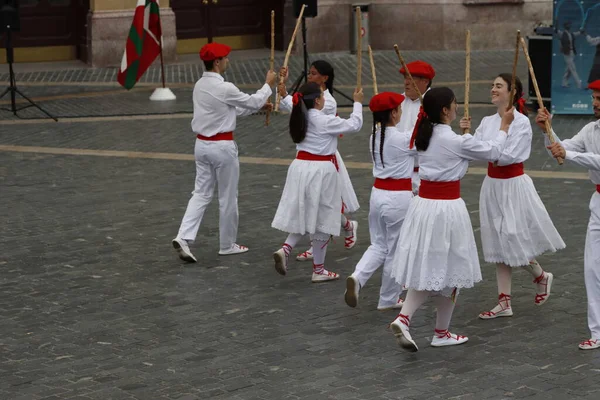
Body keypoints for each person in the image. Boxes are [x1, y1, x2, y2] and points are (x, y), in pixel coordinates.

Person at [388, 87, 514, 352]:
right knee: (450, 271)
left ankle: (434, 329)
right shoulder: (455, 140)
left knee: (437, 270)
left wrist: (466, 134)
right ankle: (413, 320)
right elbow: (493, 152)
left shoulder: (426, 134)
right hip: (446, 210)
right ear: (445, 110)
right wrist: (504, 125)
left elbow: (459, 150)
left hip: (423, 206)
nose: (457, 108)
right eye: (455, 104)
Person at [460, 74, 565, 320]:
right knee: (498, 241)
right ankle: (504, 302)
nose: (493, 89)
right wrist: (465, 136)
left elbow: (507, 156)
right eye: (492, 85)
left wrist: (495, 139)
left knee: (512, 238)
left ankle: (540, 275)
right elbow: (474, 152)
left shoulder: (520, 122)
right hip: (492, 185)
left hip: (513, 186)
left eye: (499, 86)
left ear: (512, 91)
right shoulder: (486, 121)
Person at [172, 42, 276, 262]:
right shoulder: (225, 87)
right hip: (222, 147)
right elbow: (252, 100)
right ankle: (227, 244)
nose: (228, 60)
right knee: (228, 197)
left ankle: (183, 237)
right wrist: (268, 85)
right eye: (226, 58)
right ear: (217, 62)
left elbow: (230, 110)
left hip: (201, 146)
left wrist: (258, 107)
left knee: (200, 193)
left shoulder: (200, 85)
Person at [271, 82, 364, 282]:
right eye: (322, 96)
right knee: (324, 217)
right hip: (321, 170)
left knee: (304, 211)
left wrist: (285, 94)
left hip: (299, 167)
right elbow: (355, 125)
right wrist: (357, 103)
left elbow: (290, 104)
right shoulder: (324, 120)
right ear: (316, 100)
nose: (324, 98)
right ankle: (318, 269)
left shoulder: (300, 114)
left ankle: (286, 249)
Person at [536, 80, 600, 350]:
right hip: (598, 201)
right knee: (592, 268)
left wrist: (570, 154)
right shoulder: (590, 129)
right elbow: (560, 148)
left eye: (599, 98)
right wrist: (547, 130)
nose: (595, 102)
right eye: (594, 98)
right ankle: (597, 332)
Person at [344, 92, 416, 310]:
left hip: (378, 195)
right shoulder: (402, 139)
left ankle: (358, 276)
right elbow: (423, 140)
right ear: (393, 113)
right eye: (400, 110)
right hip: (398, 199)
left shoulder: (374, 136)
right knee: (395, 249)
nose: (402, 112)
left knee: (379, 244)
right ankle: (388, 299)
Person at [397, 60, 435, 194]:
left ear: (425, 81)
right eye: (405, 78)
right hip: (399, 174)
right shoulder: (397, 102)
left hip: (424, 174)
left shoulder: (435, 104)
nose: (406, 82)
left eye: (411, 78)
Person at [557, 21, 583, 89]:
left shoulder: (570, 34)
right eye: (568, 25)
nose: (569, 26)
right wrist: (556, 24)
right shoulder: (562, 34)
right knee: (573, 69)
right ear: (565, 26)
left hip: (572, 53)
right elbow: (556, 30)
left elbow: (576, 34)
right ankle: (579, 84)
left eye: (569, 25)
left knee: (568, 70)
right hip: (567, 54)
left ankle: (564, 83)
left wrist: (581, 31)